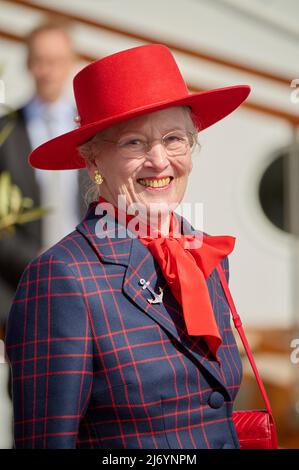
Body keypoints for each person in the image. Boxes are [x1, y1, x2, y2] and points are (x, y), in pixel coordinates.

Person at [5, 44, 251, 449]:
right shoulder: (61, 279)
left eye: (174, 139)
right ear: (93, 162)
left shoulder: (206, 255)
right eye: (134, 143)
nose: (159, 161)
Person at [0, 21, 87, 326]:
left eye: (56, 61)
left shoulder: (90, 130)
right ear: (27, 63)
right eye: (39, 61)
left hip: (85, 283)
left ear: (71, 63)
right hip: (19, 287)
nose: (47, 70)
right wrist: (33, 259)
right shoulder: (5, 131)